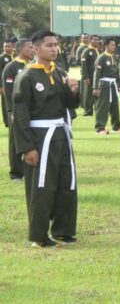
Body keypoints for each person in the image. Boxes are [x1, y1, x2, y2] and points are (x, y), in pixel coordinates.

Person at [12, 30, 79, 246]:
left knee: (66, 182)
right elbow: (20, 115)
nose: (54, 49)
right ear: (36, 48)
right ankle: (39, 235)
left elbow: (70, 105)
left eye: (56, 45)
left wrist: (74, 90)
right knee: (42, 186)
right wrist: (27, 148)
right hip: (40, 137)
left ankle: (63, 229)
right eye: (49, 45)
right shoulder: (27, 76)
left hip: (60, 134)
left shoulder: (58, 72)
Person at [3, 38, 34, 181]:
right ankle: (16, 173)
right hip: (16, 111)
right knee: (15, 141)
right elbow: (9, 93)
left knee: (31, 138)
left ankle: (29, 169)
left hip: (32, 111)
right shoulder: (11, 67)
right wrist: (12, 112)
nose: (33, 50)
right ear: (20, 49)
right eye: (29, 47)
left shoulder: (33, 65)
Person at [93, 38, 120, 134]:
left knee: (115, 105)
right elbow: (96, 73)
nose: (114, 47)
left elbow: (116, 73)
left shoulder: (114, 57)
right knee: (103, 106)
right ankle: (100, 128)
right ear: (106, 46)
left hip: (113, 84)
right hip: (104, 84)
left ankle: (116, 126)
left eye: (114, 45)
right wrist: (96, 87)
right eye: (112, 45)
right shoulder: (101, 58)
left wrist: (118, 85)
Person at [80, 35, 100, 116]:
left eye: (98, 40)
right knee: (88, 94)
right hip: (89, 76)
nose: (97, 42)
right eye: (95, 40)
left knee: (96, 93)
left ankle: (96, 109)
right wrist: (86, 77)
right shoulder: (87, 51)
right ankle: (87, 110)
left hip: (96, 76)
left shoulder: (96, 51)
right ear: (90, 41)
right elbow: (83, 64)